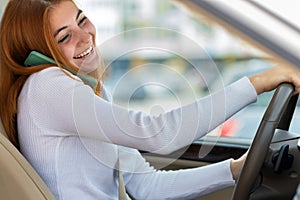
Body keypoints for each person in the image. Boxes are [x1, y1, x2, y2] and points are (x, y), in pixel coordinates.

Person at [0, 0, 300, 199]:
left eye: (82, 21)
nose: (85, 37)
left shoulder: (87, 90)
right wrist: (257, 82)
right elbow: (158, 133)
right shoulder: (48, 86)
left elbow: (146, 186)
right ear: (38, 47)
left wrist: (235, 169)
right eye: (64, 37)